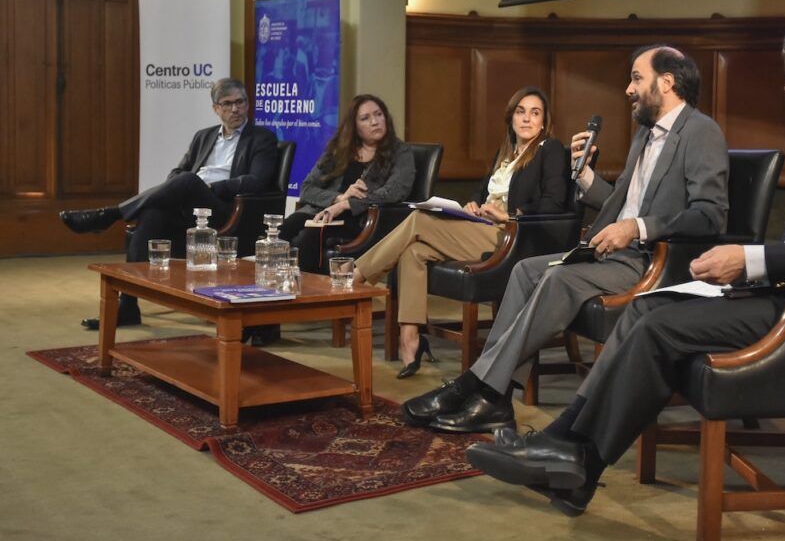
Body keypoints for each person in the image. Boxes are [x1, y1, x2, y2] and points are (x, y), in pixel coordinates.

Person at [464, 12, 785, 517]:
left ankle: (577, 458)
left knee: (659, 328)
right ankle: (566, 445)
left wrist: (750, 259)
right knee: (647, 310)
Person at [401, 44, 729, 432]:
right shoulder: (645, 135)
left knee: (557, 278)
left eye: (637, 78)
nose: (628, 88)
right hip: (610, 252)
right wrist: (585, 175)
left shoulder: (701, 131)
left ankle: (476, 387)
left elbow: (711, 215)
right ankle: (497, 398)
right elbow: (619, 204)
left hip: (650, 261)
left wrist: (638, 228)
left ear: (668, 82)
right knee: (524, 271)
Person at [354, 87, 572, 379]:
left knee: (419, 220)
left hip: (510, 236)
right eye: (521, 112)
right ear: (511, 118)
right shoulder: (505, 155)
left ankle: (356, 274)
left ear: (544, 122)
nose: (527, 119)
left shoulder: (550, 149)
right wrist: (473, 205)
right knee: (413, 250)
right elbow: (481, 193)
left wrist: (508, 215)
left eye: (535, 113)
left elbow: (553, 203)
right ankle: (410, 338)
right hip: (483, 227)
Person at [60, 78, 278, 330]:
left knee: (188, 180)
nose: (235, 109)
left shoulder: (262, 138)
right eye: (227, 104)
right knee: (153, 212)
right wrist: (183, 186)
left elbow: (257, 181)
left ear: (248, 104)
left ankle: (110, 215)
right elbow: (177, 172)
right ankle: (128, 307)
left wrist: (211, 188)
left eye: (240, 102)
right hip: (189, 205)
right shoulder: (204, 136)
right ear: (216, 109)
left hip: (223, 209)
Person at [244, 95, 415, 346]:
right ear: (354, 126)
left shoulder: (401, 152)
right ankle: (257, 313)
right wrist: (338, 197)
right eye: (365, 118)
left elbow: (395, 191)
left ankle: (267, 320)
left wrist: (347, 204)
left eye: (378, 115)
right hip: (321, 213)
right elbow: (307, 189)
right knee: (277, 237)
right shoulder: (339, 150)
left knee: (307, 239)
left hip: (360, 222)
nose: (375, 122)